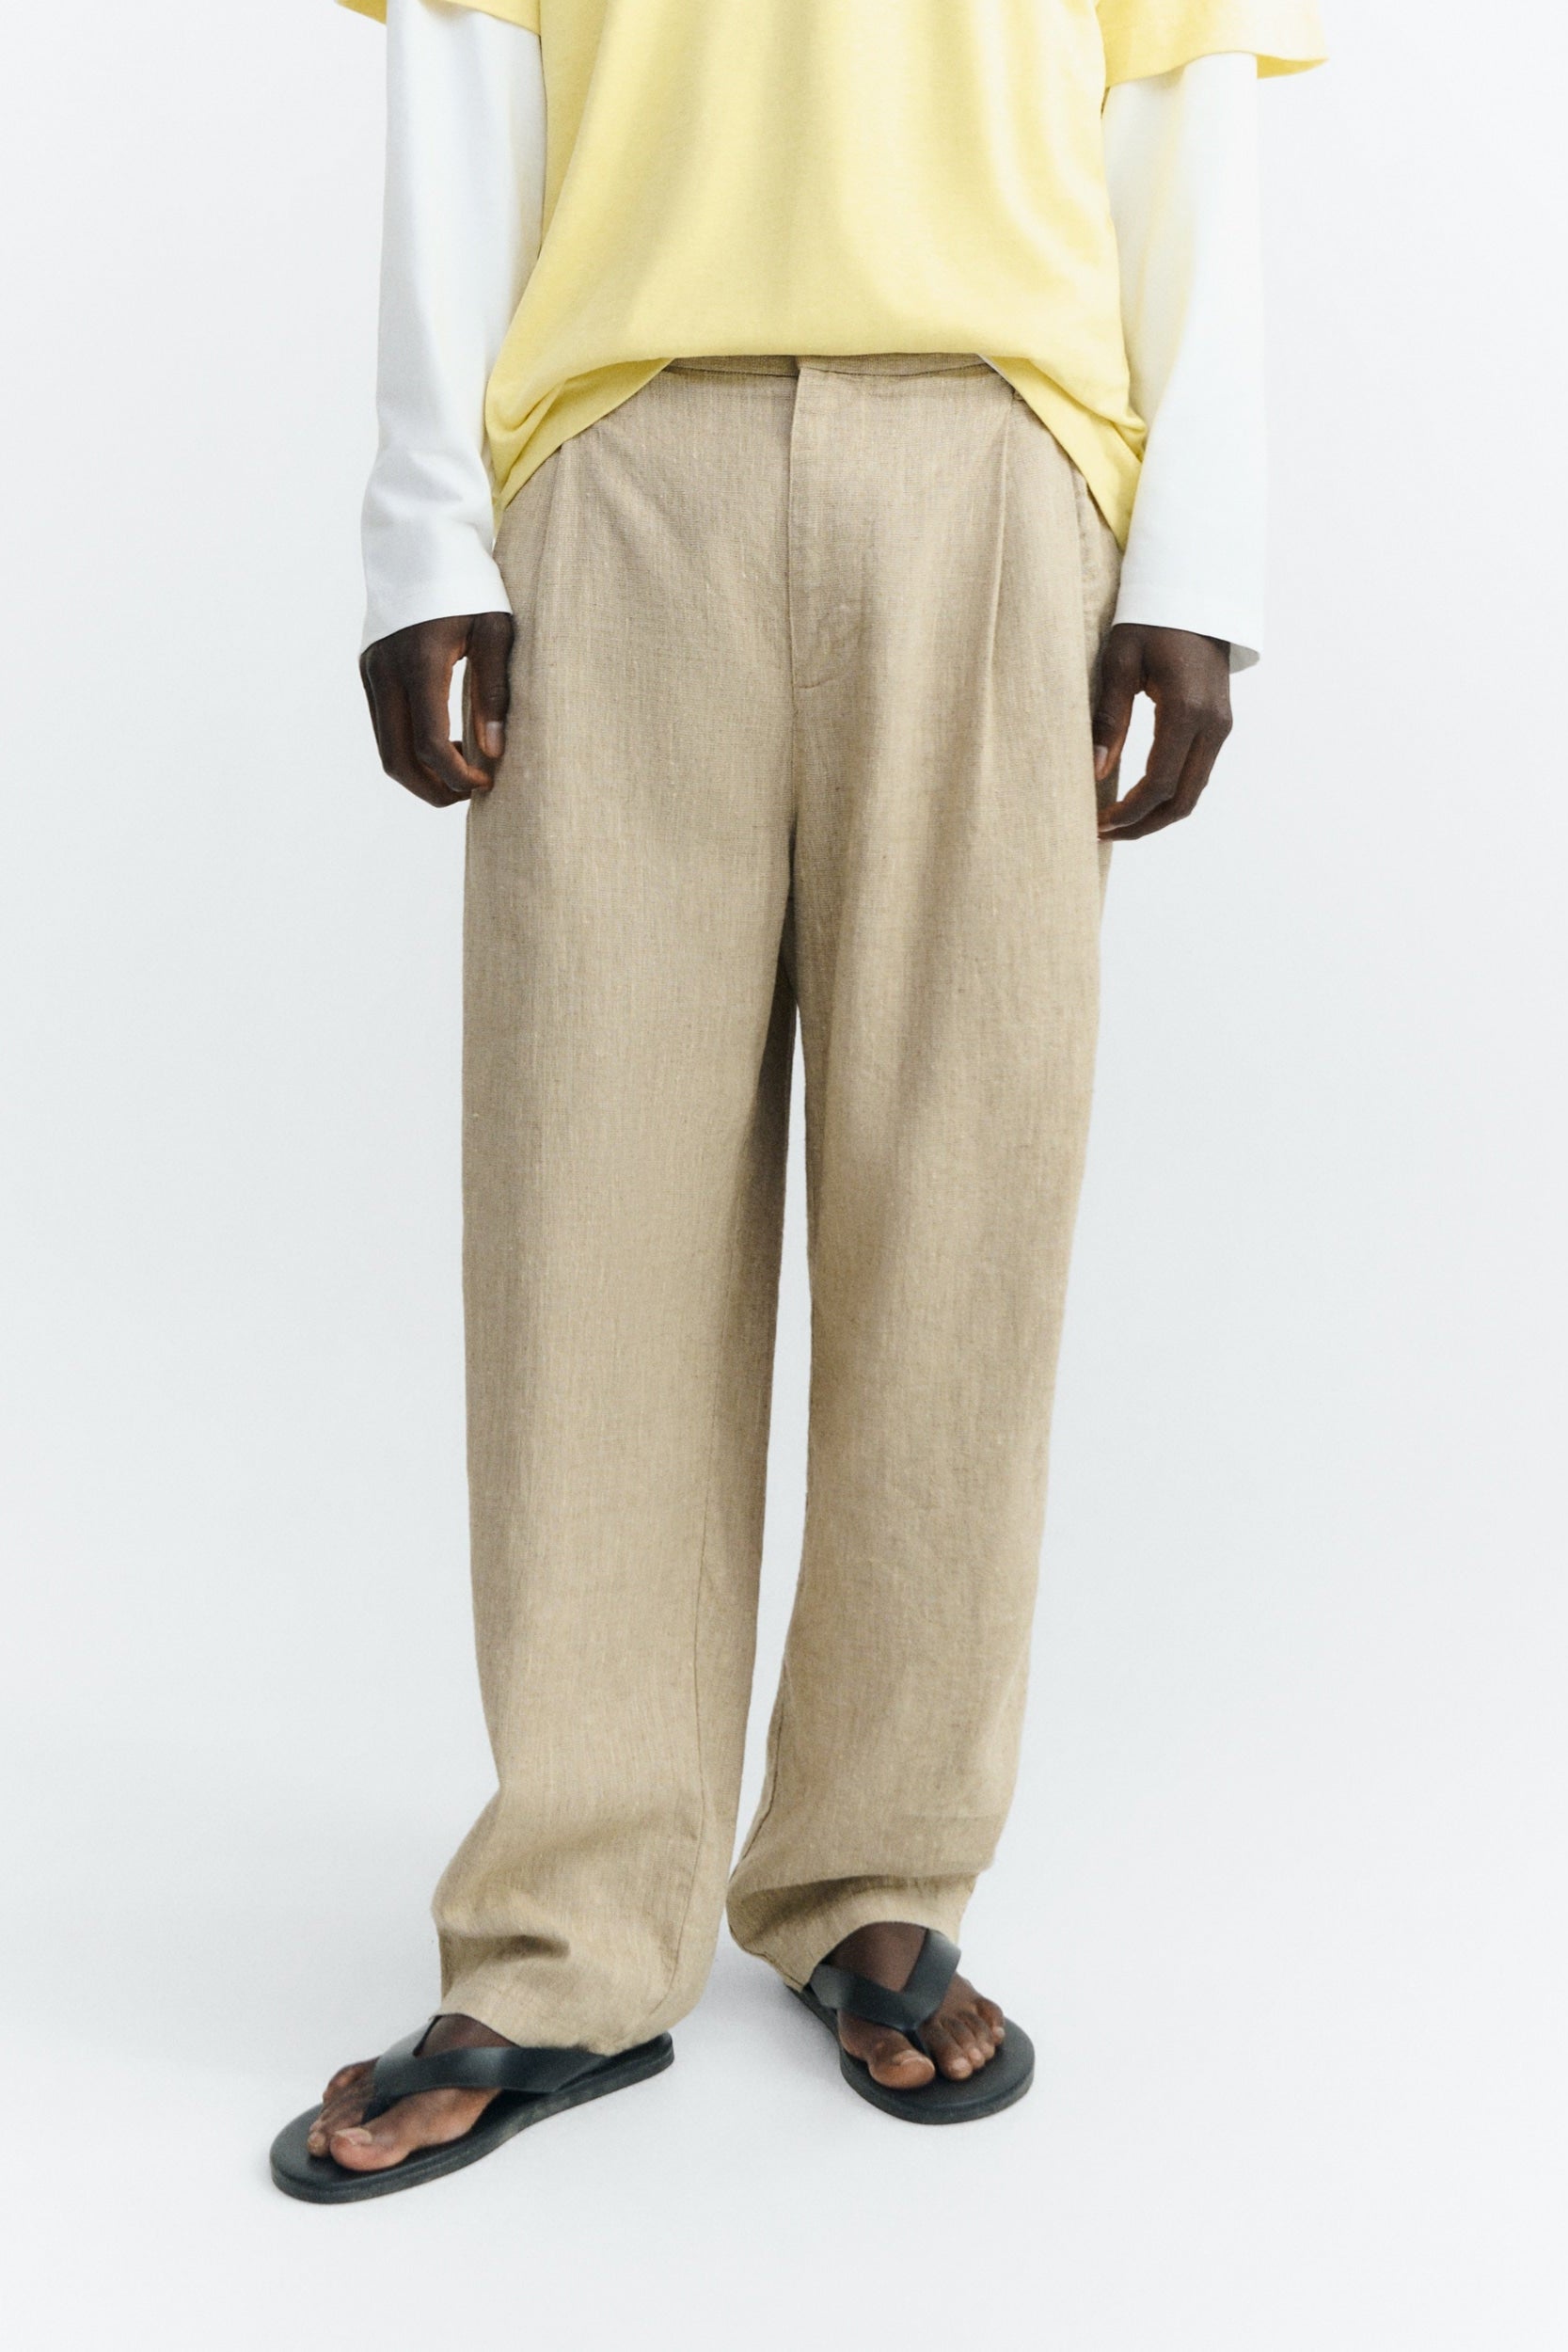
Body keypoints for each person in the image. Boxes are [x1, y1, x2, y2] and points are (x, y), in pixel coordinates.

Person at [270, 0, 1326, 2201]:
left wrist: (1201, 556)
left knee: (961, 1192)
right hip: (623, 446)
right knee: (586, 1211)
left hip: (1000, 452)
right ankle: (570, 1927)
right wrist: (423, 531)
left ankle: (878, 1866)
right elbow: (463, 66)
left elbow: (1181, 98)